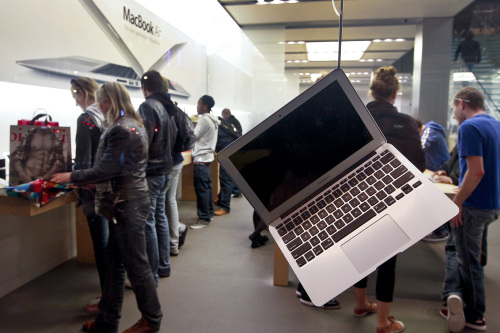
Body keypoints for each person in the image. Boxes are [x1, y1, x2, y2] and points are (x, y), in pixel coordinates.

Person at [51, 82, 162, 333]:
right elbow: (119, 169)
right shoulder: (132, 125)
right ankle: (107, 322)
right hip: (127, 202)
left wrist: (73, 176)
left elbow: (107, 169)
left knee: (136, 265)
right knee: (114, 266)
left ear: (108, 102)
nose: (98, 106)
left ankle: (151, 320)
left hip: (127, 204)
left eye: (100, 102)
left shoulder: (121, 129)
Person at [353, 66, 425, 333]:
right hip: (391, 199)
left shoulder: (356, 120)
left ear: (371, 91)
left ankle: (361, 304)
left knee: (360, 251)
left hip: (357, 197)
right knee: (387, 259)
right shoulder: (406, 123)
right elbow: (419, 164)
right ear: (395, 94)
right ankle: (383, 322)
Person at [440, 87, 500, 332]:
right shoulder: (494, 125)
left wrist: (457, 203)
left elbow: (477, 171)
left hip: (474, 205)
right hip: (492, 204)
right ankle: (460, 301)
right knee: (470, 256)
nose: (453, 114)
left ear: (462, 104)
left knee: (467, 260)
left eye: (454, 108)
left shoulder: (469, 127)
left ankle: (475, 316)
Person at [70, 77, 108, 314]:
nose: (76, 103)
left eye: (75, 97)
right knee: (111, 243)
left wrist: (75, 179)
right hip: (112, 189)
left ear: (83, 93)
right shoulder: (108, 116)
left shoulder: (86, 119)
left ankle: (107, 297)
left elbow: (83, 160)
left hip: (93, 190)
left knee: (101, 244)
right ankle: (112, 290)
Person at [137, 70, 178, 283]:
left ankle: (151, 275)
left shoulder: (147, 106)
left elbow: (143, 141)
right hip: (165, 169)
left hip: (151, 172)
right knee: (159, 217)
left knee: (148, 222)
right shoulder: (167, 106)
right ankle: (163, 266)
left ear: (145, 88)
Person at [413, 116, 451, 242]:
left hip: (440, 172)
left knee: (433, 199)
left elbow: (421, 147)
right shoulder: (428, 131)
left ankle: (441, 231)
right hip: (435, 171)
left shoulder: (429, 130)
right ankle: (439, 229)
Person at [164, 79, 188, 257]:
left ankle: (171, 242)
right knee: (169, 202)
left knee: (163, 204)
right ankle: (174, 239)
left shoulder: (156, 110)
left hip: (165, 163)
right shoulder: (178, 111)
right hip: (177, 159)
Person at [190, 95, 220, 229]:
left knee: (202, 189)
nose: (197, 106)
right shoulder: (214, 120)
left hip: (201, 159)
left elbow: (193, 137)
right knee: (207, 188)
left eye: (198, 104)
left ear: (205, 106)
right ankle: (209, 213)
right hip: (207, 158)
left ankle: (203, 219)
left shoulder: (204, 120)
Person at [214, 111, 241, 216]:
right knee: (225, 178)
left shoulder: (214, 126)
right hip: (232, 150)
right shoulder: (223, 124)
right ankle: (221, 200)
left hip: (227, 152)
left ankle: (225, 207)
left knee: (226, 179)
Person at [221, 108, 243, 198]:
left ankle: (236, 190)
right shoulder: (234, 121)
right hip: (236, 148)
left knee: (231, 171)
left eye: (223, 115)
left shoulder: (230, 122)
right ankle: (236, 190)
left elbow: (234, 135)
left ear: (226, 114)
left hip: (233, 148)